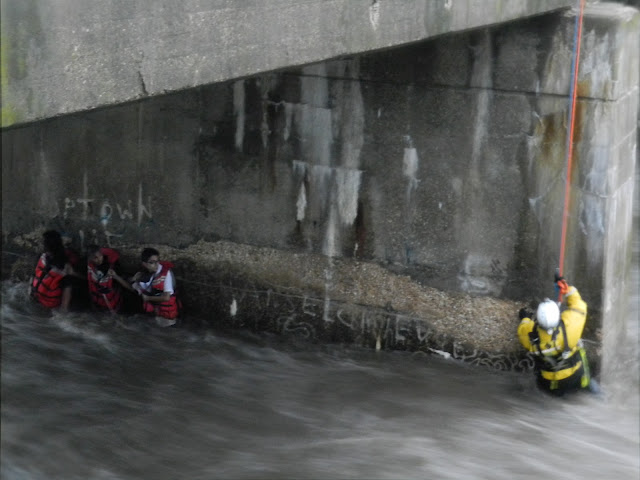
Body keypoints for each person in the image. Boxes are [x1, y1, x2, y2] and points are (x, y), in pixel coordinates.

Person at [517, 274, 598, 396]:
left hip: (549, 384)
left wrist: (525, 318)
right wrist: (567, 289)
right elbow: (579, 306)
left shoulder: (530, 333)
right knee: (590, 386)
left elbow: (522, 330)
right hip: (575, 377)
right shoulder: (570, 327)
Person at [30, 230, 82, 312]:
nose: (40, 243)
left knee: (68, 279)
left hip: (51, 306)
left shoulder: (63, 265)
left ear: (47, 245)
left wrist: (63, 310)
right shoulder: (42, 256)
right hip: (38, 299)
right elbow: (35, 275)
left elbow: (68, 286)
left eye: (43, 242)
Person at [131, 247, 181, 327]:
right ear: (144, 264)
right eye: (152, 262)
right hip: (153, 312)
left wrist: (148, 298)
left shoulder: (165, 274)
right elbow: (133, 287)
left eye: (157, 261)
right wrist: (117, 277)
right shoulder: (141, 274)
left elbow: (166, 297)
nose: (156, 265)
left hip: (166, 316)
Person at [86, 245, 133, 313]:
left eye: (100, 255)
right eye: (95, 258)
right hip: (99, 306)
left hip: (115, 307)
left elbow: (129, 287)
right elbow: (91, 288)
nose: (99, 259)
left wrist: (115, 276)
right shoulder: (90, 268)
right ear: (90, 259)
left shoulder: (112, 267)